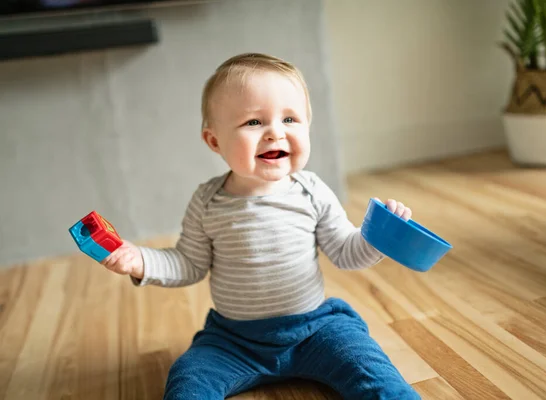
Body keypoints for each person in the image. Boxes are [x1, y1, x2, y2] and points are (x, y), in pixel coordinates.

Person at [100, 53, 421, 400]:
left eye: (290, 119)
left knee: (370, 367)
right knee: (188, 380)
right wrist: (140, 261)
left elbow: (346, 252)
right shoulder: (207, 202)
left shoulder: (311, 191)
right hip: (233, 341)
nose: (275, 133)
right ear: (214, 141)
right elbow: (188, 264)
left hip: (315, 330)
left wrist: (377, 237)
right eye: (254, 122)